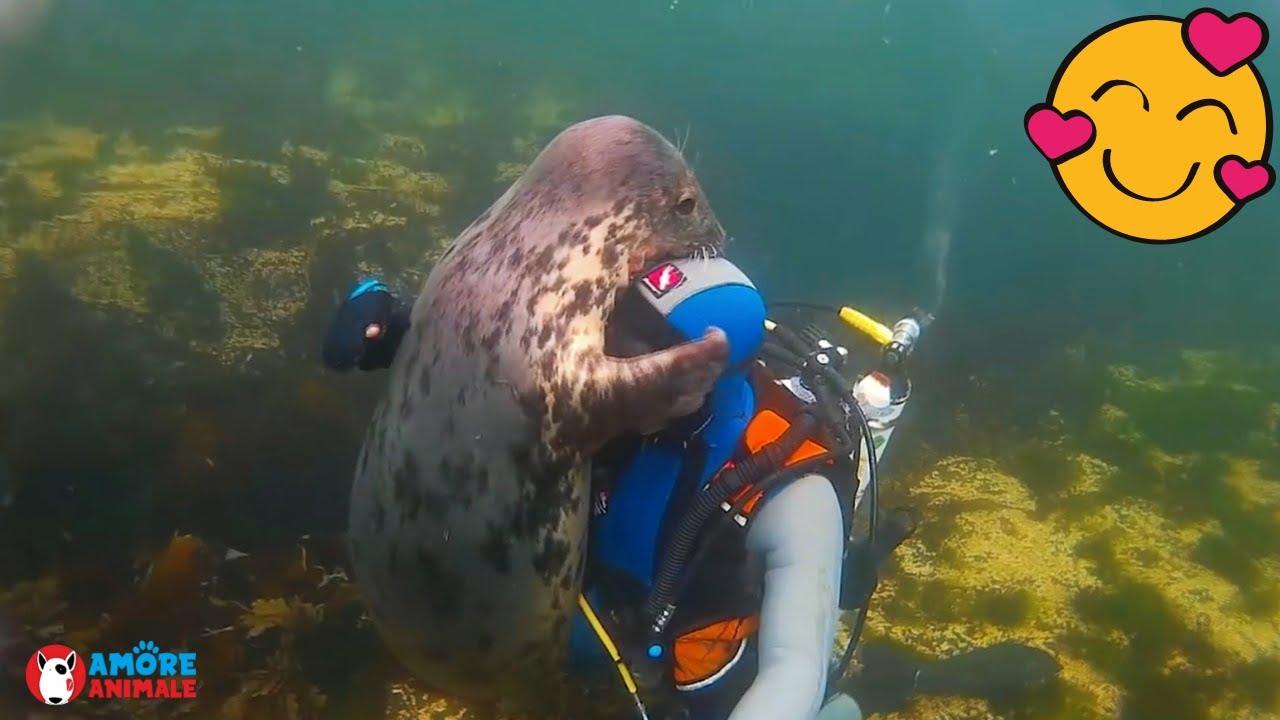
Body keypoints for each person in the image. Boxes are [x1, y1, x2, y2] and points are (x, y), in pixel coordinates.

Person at [321, 261, 1060, 720]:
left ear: (695, 375)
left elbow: (792, 671)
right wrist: (396, 317)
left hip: (707, 648)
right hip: (595, 609)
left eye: (631, 354)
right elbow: (510, 358)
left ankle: (889, 687)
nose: (603, 361)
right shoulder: (615, 393)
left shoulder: (790, 491)